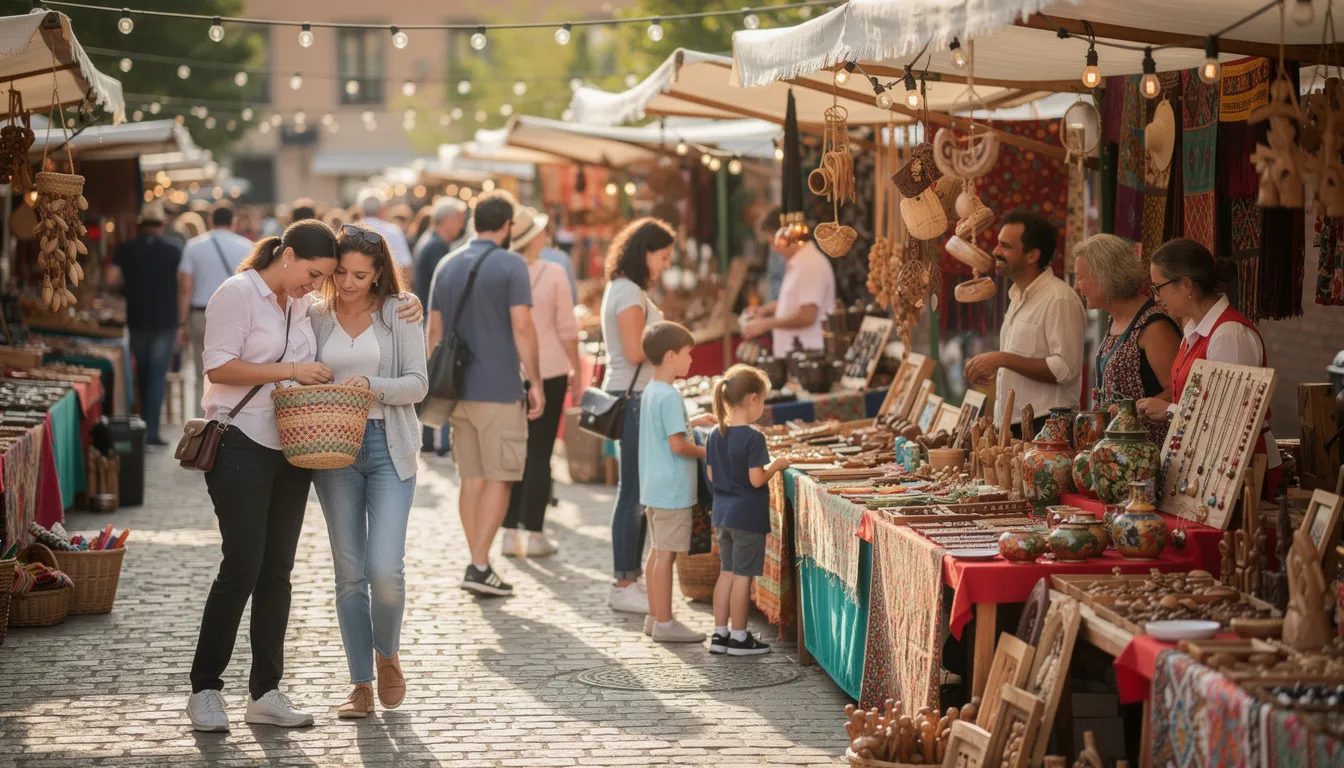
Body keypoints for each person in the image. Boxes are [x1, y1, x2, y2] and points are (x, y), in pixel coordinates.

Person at [186, 221, 423, 733]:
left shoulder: (299, 305)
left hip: (294, 449)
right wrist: (289, 372)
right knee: (242, 567)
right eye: (320, 273)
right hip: (241, 442)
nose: (320, 285)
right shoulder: (239, 294)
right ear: (287, 255)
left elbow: (409, 368)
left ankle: (265, 691)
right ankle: (205, 688)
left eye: (328, 276)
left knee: (278, 574)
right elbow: (218, 368)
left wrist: (408, 308)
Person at [309, 223, 428, 719]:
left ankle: (388, 654)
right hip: (332, 451)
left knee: (385, 571)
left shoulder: (401, 313)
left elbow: (418, 384)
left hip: (388, 445)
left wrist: (371, 385)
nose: (351, 283)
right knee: (349, 574)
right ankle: (360, 682)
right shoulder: (313, 316)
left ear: (380, 272)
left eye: (361, 274)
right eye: (342, 272)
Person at [426, 192, 544, 598]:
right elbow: (523, 327)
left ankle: (477, 562)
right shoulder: (511, 264)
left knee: (471, 479)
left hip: (458, 391)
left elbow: (434, 333)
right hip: (499, 388)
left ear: (474, 221)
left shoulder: (446, 263)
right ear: (508, 225)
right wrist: (537, 381)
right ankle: (478, 564)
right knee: (501, 478)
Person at [1139, 238, 1282, 494]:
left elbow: (1232, 415)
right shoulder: (1193, 329)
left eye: (1159, 287)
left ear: (1186, 286)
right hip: (1209, 463)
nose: (1156, 297)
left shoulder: (1229, 334)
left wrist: (1170, 410)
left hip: (1242, 470)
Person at [600, 218, 676, 614]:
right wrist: (672, 349)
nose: (663, 265)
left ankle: (629, 578)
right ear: (644, 252)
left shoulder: (624, 288)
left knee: (637, 491)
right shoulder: (629, 292)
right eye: (662, 257)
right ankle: (623, 580)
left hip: (635, 397)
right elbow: (633, 352)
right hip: (634, 398)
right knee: (632, 493)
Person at [501, 207, 581, 558]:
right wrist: (577, 370)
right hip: (548, 369)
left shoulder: (501, 270)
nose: (545, 233)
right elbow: (567, 328)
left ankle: (507, 532)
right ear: (532, 237)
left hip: (507, 370)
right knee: (539, 452)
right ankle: (533, 533)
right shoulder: (553, 272)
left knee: (512, 452)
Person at [964, 211, 1087, 439]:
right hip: (1017, 428)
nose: (995, 252)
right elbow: (1024, 361)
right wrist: (994, 368)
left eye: (1005, 246)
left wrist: (1002, 359)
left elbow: (1065, 369)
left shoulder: (1059, 299)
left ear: (1032, 256)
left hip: (1049, 430)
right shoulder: (1017, 297)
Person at [626, 321, 703, 643]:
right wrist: (709, 451)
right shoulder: (670, 395)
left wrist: (695, 421)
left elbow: (666, 431)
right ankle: (666, 623)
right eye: (687, 354)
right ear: (671, 355)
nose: (691, 361)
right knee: (666, 555)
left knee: (657, 552)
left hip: (654, 486)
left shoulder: (651, 390)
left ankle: (655, 617)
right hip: (672, 488)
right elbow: (678, 445)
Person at [705, 364, 789, 656]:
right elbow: (756, 480)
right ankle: (740, 637)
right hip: (747, 516)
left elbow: (713, 477)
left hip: (722, 513)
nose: (763, 407)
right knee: (743, 577)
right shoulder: (754, 438)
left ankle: (720, 635)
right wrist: (776, 467)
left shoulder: (715, 434)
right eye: (763, 400)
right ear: (752, 399)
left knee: (725, 573)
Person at [1072, 234, 1181, 443]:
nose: (1077, 286)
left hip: (1146, 450)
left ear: (1104, 276)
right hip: (1117, 448)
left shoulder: (1154, 326)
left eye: (1080, 277)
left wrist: (1129, 412)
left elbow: (1178, 390)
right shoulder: (1115, 319)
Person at [108, 201, 183, 446]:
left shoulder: (126, 248)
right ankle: (151, 431)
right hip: (166, 319)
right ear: (162, 224)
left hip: (137, 318)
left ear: (140, 225)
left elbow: (110, 279)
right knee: (157, 375)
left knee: (142, 373)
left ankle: (140, 426)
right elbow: (183, 284)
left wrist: (125, 288)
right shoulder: (174, 249)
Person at [178, 201, 253, 417]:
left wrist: (182, 322)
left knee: (201, 371)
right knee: (233, 369)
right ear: (234, 222)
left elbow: (185, 287)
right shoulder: (246, 247)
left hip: (200, 314)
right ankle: (226, 417)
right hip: (236, 316)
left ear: (210, 221)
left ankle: (199, 424)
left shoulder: (193, 246)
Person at [413, 199, 468, 455]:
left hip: (428, 317)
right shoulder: (436, 247)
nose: (462, 223)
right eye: (459, 218)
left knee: (435, 375)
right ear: (446, 219)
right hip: (436, 320)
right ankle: (440, 440)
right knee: (442, 376)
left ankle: (431, 436)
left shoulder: (430, 241)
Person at [739, 229, 835, 352]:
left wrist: (765, 324)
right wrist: (765, 310)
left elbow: (807, 315)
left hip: (808, 353)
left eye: (773, 242)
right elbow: (794, 303)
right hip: (794, 353)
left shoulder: (811, 264)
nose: (773, 248)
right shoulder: (798, 263)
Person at [357, 191, 413, 279]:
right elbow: (405, 267)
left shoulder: (350, 231)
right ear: (382, 210)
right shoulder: (394, 231)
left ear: (361, 210)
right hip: (389, 287)